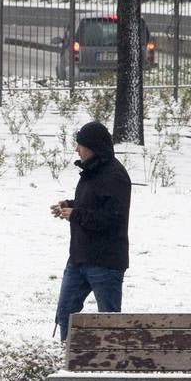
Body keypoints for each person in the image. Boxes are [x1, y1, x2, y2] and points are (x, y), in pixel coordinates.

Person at [50, 120, 132, 341]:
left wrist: (76, 214)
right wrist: (70, 204)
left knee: (109, 321)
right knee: (65, 313)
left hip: (105, 263)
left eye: (80, 145)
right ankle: (67, 360)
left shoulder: (116, 176)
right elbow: (92, 202)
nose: (77, 149)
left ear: (93, 146)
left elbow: (111, 218)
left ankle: (111, 365)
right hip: (78, 259)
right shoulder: (91, 171)